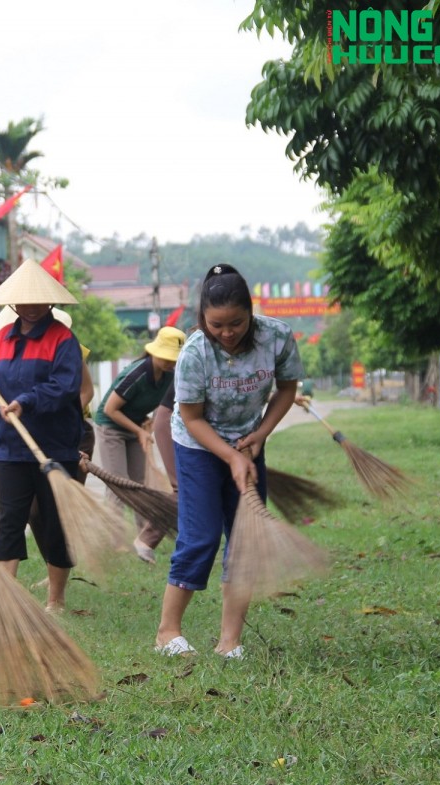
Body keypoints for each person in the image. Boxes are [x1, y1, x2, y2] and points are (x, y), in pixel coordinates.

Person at [154, 264, 303, 659]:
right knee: (200, 537)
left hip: (248, 440)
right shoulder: (194, 353)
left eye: (235, 323)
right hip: (198, 446)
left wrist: (259, 436)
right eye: (216, 324)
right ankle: (168, 632)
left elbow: (287, 390)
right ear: (202, 318)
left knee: (244, 540)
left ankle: (229, 642)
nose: (226, 332)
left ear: (251, 312)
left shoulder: (277, 337)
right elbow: (191, 417)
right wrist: (230, 458)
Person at [0, 261, 83, 614]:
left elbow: (65, 387)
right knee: (9, 521)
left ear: (50, 302)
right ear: (13, 303)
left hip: (54, 446)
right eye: (23, 300)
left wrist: (26, 401)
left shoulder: (63, 340)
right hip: (11, 447)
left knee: (53, 524)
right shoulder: (1, 340)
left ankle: (56, 599)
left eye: (38, 300)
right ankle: (7, 600)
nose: (31, 306)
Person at [93, 327, 185, 565]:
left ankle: (143, 540)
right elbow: (109, 410)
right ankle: (116, 543)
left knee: (139, 486)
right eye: (165, 357)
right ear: (154, 351)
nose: (168, 362)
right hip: (110, 427)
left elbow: (162, 409)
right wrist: (138, 431)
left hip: (134, 427)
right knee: (118, 485)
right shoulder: (138, 373)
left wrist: (148, 426)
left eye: (173, 359)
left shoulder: (170, 377)